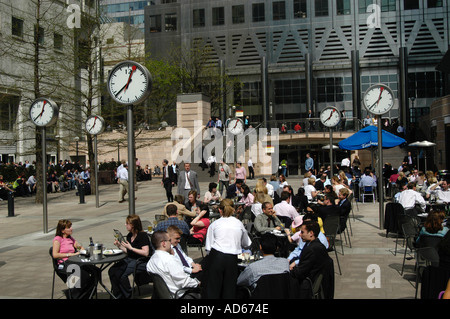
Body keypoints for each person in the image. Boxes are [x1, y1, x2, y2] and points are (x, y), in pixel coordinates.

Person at [203, 200, 252, 299]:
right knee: (229, 290)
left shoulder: (215, 224)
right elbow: (247, 243)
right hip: (232, 258)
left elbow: (208, 248)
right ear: (233, 209)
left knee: (213, 290)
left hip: (216, 256)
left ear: (220, 210)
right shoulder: (238, 224)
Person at [146, 230, 200, 297]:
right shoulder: (170, 260)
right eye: (169, 240)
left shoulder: (150, 262)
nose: (171, 242)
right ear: (163, 243)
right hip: (181, 295)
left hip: (164, 295)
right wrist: (198, 283)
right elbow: (184, 282)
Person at [108, 214, 150, 299]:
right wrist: (119, 246)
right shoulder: (129, 235)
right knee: (112, 270)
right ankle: (117, 295)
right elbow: (128, 251)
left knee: (122, 275)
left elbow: (146, 253)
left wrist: (131, 248)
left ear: (133, 225)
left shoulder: (142, 236)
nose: (125, 225)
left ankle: (128, 295)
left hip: (141, 261)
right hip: (130, 259)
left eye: (127, 223)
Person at [52, 219, 95, 299]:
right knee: (83, 275)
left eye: (70, 226)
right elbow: (55, 254)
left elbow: (79, 247)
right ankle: (76, 295)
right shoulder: (58, 240)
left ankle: (88, 293)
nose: (71, 228)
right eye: (68, 227)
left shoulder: (70, 238)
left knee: (95, 271)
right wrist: (70, 254)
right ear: (62, 230)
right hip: (64, 263)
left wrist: (83, 250)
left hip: (75, 261)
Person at [290, 221, 333, 286]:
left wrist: (288, 270)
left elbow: (301, 272)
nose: (299, 234)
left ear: (311, 233)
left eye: (302, 232)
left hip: (308, 284)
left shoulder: (312, 249)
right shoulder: (313, 245)